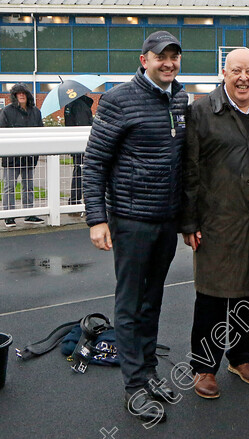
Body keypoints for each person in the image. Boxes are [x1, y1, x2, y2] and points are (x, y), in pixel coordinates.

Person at [83, 30, 187, 424]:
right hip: (130, 219)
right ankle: (133, 387)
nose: (168, 63)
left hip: (166, 219)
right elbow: (94, 163)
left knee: (153, 301)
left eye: (174, 57)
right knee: (129, 304)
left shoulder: (179, 98)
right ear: (144, 59)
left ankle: (148, 371)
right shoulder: (118, 100)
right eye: (161, 56)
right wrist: (97, 218)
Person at [180, 47, 249, 400]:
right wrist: (189, 220)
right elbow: (189, 169)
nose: (244, 78)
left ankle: (241, 357)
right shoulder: (201, 112)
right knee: (211, 293)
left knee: (248, 289)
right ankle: (204, 366)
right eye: (236, 70)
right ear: (224, 73)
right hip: (216, 218)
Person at [0, 84, 45, 227]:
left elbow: (40, 130)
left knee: (28, 186)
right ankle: (9, 215)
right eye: (18, 93)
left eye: (23, 93)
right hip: (11, 156)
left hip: (29, 156)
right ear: (15, 96)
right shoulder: (6, 111)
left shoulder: (35, 112)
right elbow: (0, 131)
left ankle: (29, 214)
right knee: (9, 186)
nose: (21, 95)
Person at [64, 94, 94, 206]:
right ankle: (76, 200)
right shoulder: (80, 105)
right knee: (82, 172)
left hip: (74, 143)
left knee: (78, 171)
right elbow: (83, 125)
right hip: (83, 145)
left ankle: (75, 199)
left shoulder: (69, 105)